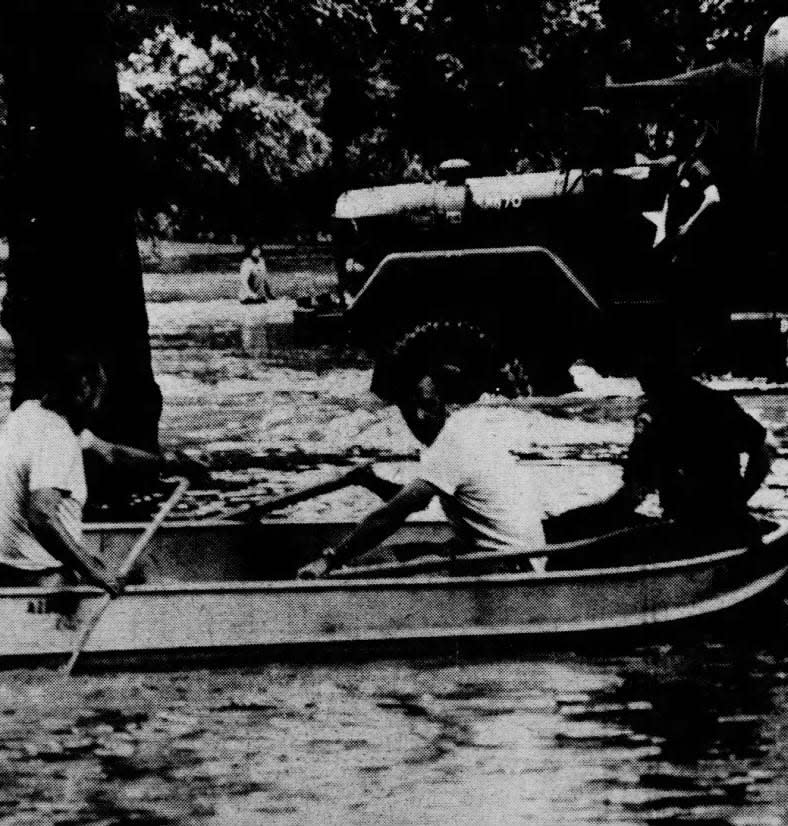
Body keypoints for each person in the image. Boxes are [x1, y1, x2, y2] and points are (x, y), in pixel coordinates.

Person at [297, 323, 546, 579]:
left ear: (445, 404)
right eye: (408, 407)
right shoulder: (458, 431)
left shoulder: (456, 441)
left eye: (427, 404)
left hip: (510, 566)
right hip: (492, 554)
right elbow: (420, 503)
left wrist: (331, 559)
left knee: (365, 567)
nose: (418, 416)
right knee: (385, 557)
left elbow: (392, 515)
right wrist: (371, 483)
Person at [0, 354, 196, 593]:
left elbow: (111, 453)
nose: (100, 405)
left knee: (129, 568)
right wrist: (94, 572)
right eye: (99, 393)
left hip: (9, 564)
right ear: (84, 389)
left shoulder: (29, 413)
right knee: (141, 574)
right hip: (37, 574)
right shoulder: (57, 438)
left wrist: (168, 464)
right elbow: (41, 514)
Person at [545, 358, 773, 544]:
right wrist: (739, 499)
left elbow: (633, 495)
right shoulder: (718, 403)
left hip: (695, 528)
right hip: (719, 523)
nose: (641, 382)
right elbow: (762, 454)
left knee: (569, 529)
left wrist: (579, 522)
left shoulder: (654, 418)